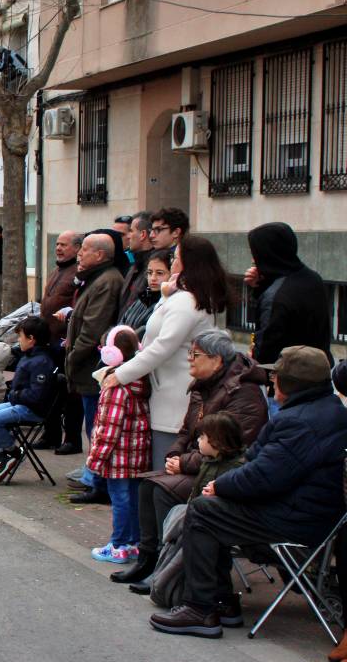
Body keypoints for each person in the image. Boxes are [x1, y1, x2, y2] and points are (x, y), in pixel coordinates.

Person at [149, 346, 347, 639]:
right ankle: (222, 603)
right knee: (212, 508)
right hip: (307, 509)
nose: (271, 381)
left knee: (204, 511)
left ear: (290, 383)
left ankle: (201, 608)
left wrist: (220, 485)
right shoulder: (326, 409)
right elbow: (260, 462)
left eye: (276, 376)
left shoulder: (300, 421)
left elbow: (264, 475)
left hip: (298, 517)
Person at [111, 330, 270, 589]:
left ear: (216, 360)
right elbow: (186, 431)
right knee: (147, 484)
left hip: (225, 472)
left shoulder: (243, 393)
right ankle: (147, 559)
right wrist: (175, 455)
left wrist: (185, 463)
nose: (189, 360)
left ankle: (167, 566)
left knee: (163, 490)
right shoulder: (203, 386)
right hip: (202, 464)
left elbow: (232, 446)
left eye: (195, 354)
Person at [101, 235, 230, 470]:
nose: (172, 262)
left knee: (165, 467)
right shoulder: (184, 297)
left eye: (176, 258)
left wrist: (120, 374)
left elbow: (162, 346)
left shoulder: (186, 302)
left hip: (174, 397)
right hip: (169, 391)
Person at [63, 232, 125, 504]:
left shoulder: (107, 281)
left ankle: (99, 484)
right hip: (85, 366)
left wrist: (73, 356)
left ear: (99, 255)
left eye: (85, 249)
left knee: (96, 427)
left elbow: (92, 326)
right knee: (93, 425)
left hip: (92, 367)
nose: (79, 254)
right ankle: (95, 479)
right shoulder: (95, 279)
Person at [86, 324, 151, 564]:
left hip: (118, 456)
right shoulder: (140, 381)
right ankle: (134, 542)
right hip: (137, 455)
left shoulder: (115, 386)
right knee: (133, 499)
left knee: (120, 500)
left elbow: (109, 428)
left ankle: (119, 545)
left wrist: (95, 458)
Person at [244, 222, 332, 364]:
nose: (253, 260)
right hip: (318, 369)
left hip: (288, 378)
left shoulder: (276, 296)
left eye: (255, 253)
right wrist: (262, 285)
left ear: (267, 254)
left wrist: (252, 355)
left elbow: (264, 351)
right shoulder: (312, 277)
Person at [0, 316, 56, 484]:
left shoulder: (41, 362)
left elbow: (36, 396)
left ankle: (13, 452)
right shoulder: (28, 356)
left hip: (31, 410)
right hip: (20, 404)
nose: (18, 340)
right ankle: (2, 456)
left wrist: (15, 395)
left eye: (21, 336)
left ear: (31, 339)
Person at [39, 230, 83, 454]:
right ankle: (51, 434)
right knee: (49, 388)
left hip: (66, 340)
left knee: (70, 393)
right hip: (50, 338)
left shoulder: (78, 272)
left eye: (64, 245)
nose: (58, 248)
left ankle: (72, 439)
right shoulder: (58, 269)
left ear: (77, 248)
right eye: (57, 243)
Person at [118, 249, 170, 336]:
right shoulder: (143, 298)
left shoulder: (168, 303)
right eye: (149, 273)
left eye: (160, 273)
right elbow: (122, 323)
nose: (153, 278)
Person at [118, 211, 154, 316]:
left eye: (131, 231)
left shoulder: (152, 268)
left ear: (142, 234)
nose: (128, 236)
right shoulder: (135, 264)